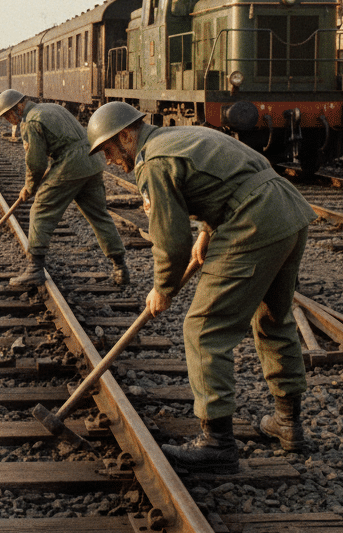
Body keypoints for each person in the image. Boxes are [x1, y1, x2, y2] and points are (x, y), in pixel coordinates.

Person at [86, 101, 316, 474]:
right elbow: (232, 173)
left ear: (127, 135)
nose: (109, 160)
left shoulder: (153, 163)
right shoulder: (179, 137)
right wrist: (208, 230)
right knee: (274, 318)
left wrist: (163, 286)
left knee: (203, 328)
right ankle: (288, 423)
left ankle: (217, 443)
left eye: (109, 150)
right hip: (288, 211)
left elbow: (170, 239)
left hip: (254, 221)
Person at [0, 89, 129, 287]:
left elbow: (36, 163)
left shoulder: (31, 121)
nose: (9, 120)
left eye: (8, 115)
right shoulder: (52, 108)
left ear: (19, 107)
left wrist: (30, 188)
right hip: (92, 162)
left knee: (41, 209)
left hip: (71, 165)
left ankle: (34, 269)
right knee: (99, 215)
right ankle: (120, 268)